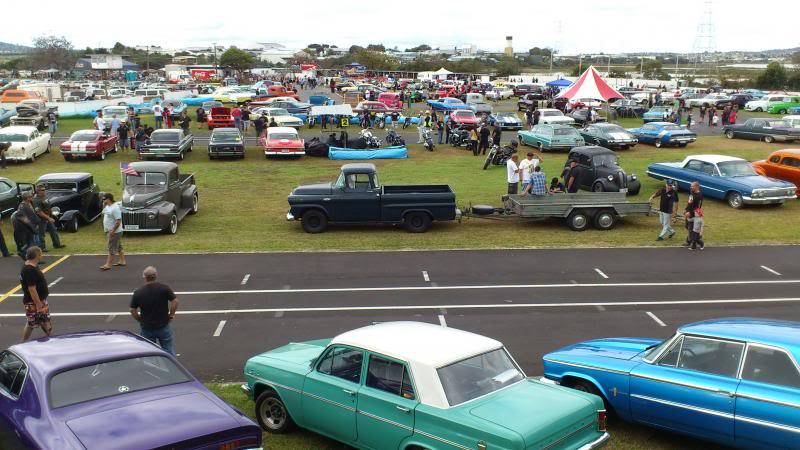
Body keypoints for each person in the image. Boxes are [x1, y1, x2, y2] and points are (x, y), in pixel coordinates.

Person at [129, 266, 179, 355]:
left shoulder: (138, 292)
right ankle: (171, 367)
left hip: (147, 327)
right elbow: (175, 301)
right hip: (163, 325)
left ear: (144, 277)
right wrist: (171, 315)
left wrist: (140, 319)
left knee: (149, 352)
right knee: (168, 350)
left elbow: (132, 310)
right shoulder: (164, 288)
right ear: (156, 276)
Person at [20, 246, 52, 342]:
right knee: (35, 322)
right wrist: (38, 304)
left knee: (39, 321)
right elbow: (32, 289)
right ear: (37, 255)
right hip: (34, 302)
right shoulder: (29, 270)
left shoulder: (31, 266)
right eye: (41, 254)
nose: (42, 255)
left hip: (38, 300)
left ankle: (49, 337)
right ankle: (23, 343)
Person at [33, 185, 63, 252]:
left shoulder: (44, 197)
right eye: (42, 190)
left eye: (44, 189)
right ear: (38, 191)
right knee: (41, 233)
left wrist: (51, 214)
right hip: (41, 219)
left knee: (53, 231)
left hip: (48, 217)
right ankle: (42, 248)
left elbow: (48, 206)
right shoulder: (36, 200)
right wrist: (48, 218)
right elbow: (39, 212)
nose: (44, 191)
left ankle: (57, 245)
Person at [100, 193, 126, 271]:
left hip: (115, 232)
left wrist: (113, 231)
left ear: (109, 199)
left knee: (111, 248)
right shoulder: (108, 206)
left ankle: (108, 264)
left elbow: (118, 221)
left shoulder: (115, 208)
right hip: (111, 231)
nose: (103, 201)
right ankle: (122, 261)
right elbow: (103, 212)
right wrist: (104, 205)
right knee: (118, 247)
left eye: (104, 199)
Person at [683, 181, 704, 247]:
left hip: (695, 215)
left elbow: (698, 207)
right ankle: (698, 240)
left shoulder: (700, 196)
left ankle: (690, 241)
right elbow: (689, 202)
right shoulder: (691, 193)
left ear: (697, 187)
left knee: (691, 228)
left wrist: (691, 213)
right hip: (688, 213)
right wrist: (686, 209)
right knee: (687, 226)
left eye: (692, 186)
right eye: (691, 186)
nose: (691, 187)